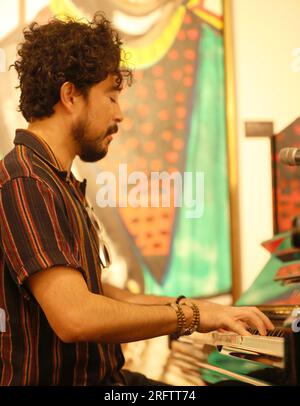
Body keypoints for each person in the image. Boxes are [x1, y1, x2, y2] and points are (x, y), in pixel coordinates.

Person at [0, 13, 274, 386]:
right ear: (70, 96)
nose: (119, 113)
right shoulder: (26, 181)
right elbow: (76, 317)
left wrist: (204, 310)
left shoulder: (54, 179)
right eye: (111, 95)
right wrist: (191, 316)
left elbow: (101, 296)